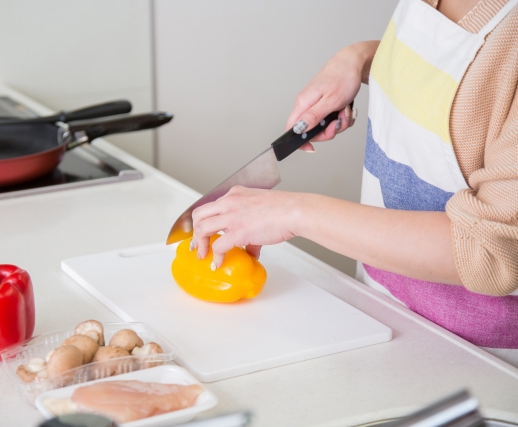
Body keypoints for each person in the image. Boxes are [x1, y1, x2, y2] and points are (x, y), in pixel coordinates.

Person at [191, 0, 518, 366]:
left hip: (479, 366)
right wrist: (359, 59)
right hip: (380, 315)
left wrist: (294, 213)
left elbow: (487, 253)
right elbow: (469, 79)